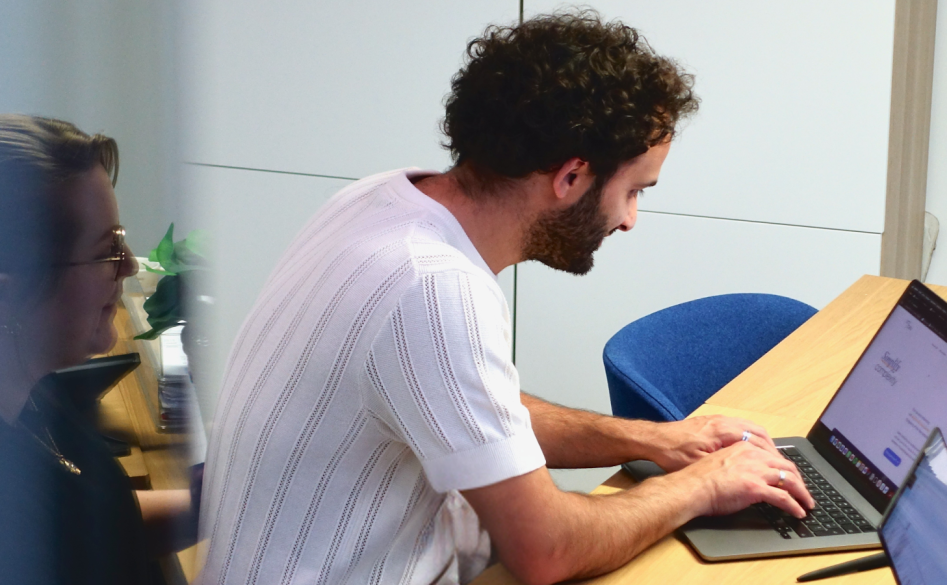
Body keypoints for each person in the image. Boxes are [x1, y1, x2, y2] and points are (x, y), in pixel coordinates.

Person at [196, 11, 814, 585]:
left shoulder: (379, 200)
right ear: (571, 177)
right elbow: (546, 551)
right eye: (633, 191)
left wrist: (654, 440)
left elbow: (468, 404)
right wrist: (704, 486)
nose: (629, 220)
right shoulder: (434, 288)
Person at [0, 114, 196, 584]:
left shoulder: (32, 390)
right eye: (107, 250)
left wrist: (209, 501)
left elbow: (93, 530)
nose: (129, 266)